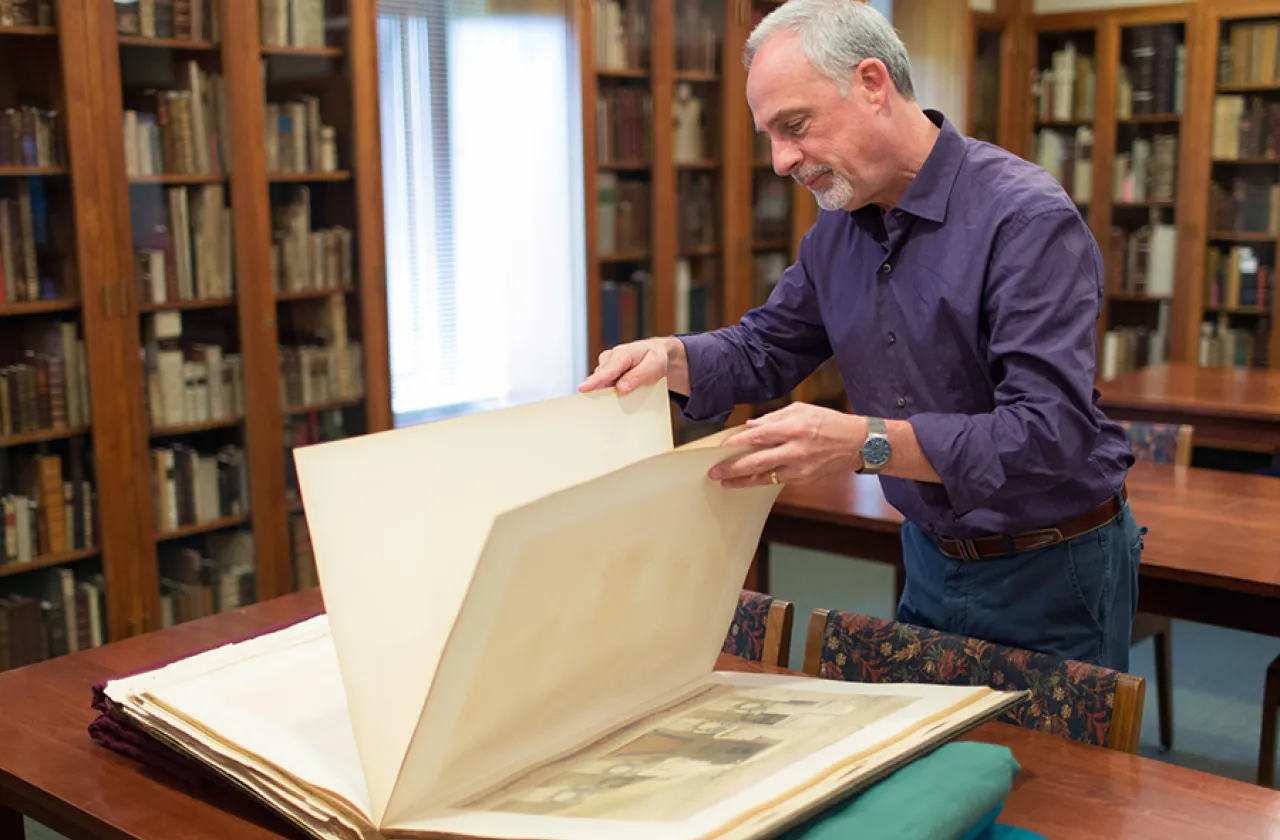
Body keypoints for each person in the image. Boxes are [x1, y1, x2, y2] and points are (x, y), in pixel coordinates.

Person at [579, 0, 1144, 673]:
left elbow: (1048, 432)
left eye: (794, 126)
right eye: (769, 136)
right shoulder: (839, 228)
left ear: (873, 84)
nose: (781, 161)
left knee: (1044, 751)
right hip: (930, 554)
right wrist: (672, 356)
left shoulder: (1025, 219)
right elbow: (767, 347)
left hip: (1052, 567)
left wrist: (862, 443)